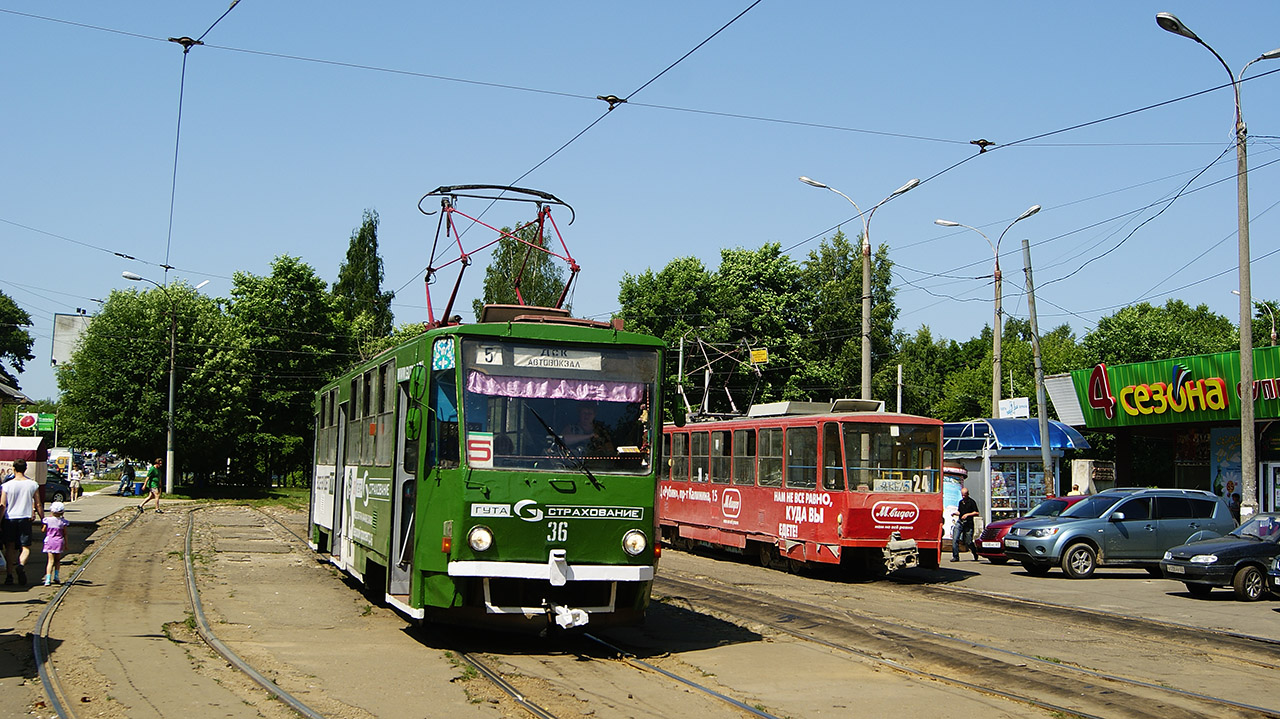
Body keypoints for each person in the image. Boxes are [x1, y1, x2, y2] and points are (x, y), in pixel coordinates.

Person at [1, 459, 44, 585]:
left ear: (14, 469)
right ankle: (21, 565)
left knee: (10, 547)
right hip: (25, 518)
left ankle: (9, 575)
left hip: (9, 518)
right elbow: (38, 504)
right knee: (25, 547)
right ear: (25, 469)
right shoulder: (33, 485)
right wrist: (43, 520)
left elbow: (3, 505)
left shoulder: (6, 486)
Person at [42, 501, 69, 586]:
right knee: (57, 560)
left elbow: (43, 530)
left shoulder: (47, 520)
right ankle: (56, 576)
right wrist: (66, 544)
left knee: (50, 561)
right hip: (59, 542)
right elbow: (65, 533)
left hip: (50, 541)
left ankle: (48, 579)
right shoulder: (63, 522)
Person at [951, 486, 980, 562]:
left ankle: (975, 553)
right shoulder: (961, 502)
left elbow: (976, 512)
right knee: (955, 539)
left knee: (968, 542)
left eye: (965, 495)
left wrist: (967, 514)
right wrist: (955, 513)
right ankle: (955, 556)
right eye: (962, 495)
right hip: (960, 522)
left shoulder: (972, 502)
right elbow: (960, 512)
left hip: (968, 524)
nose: (963, 497)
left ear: (968, 494)